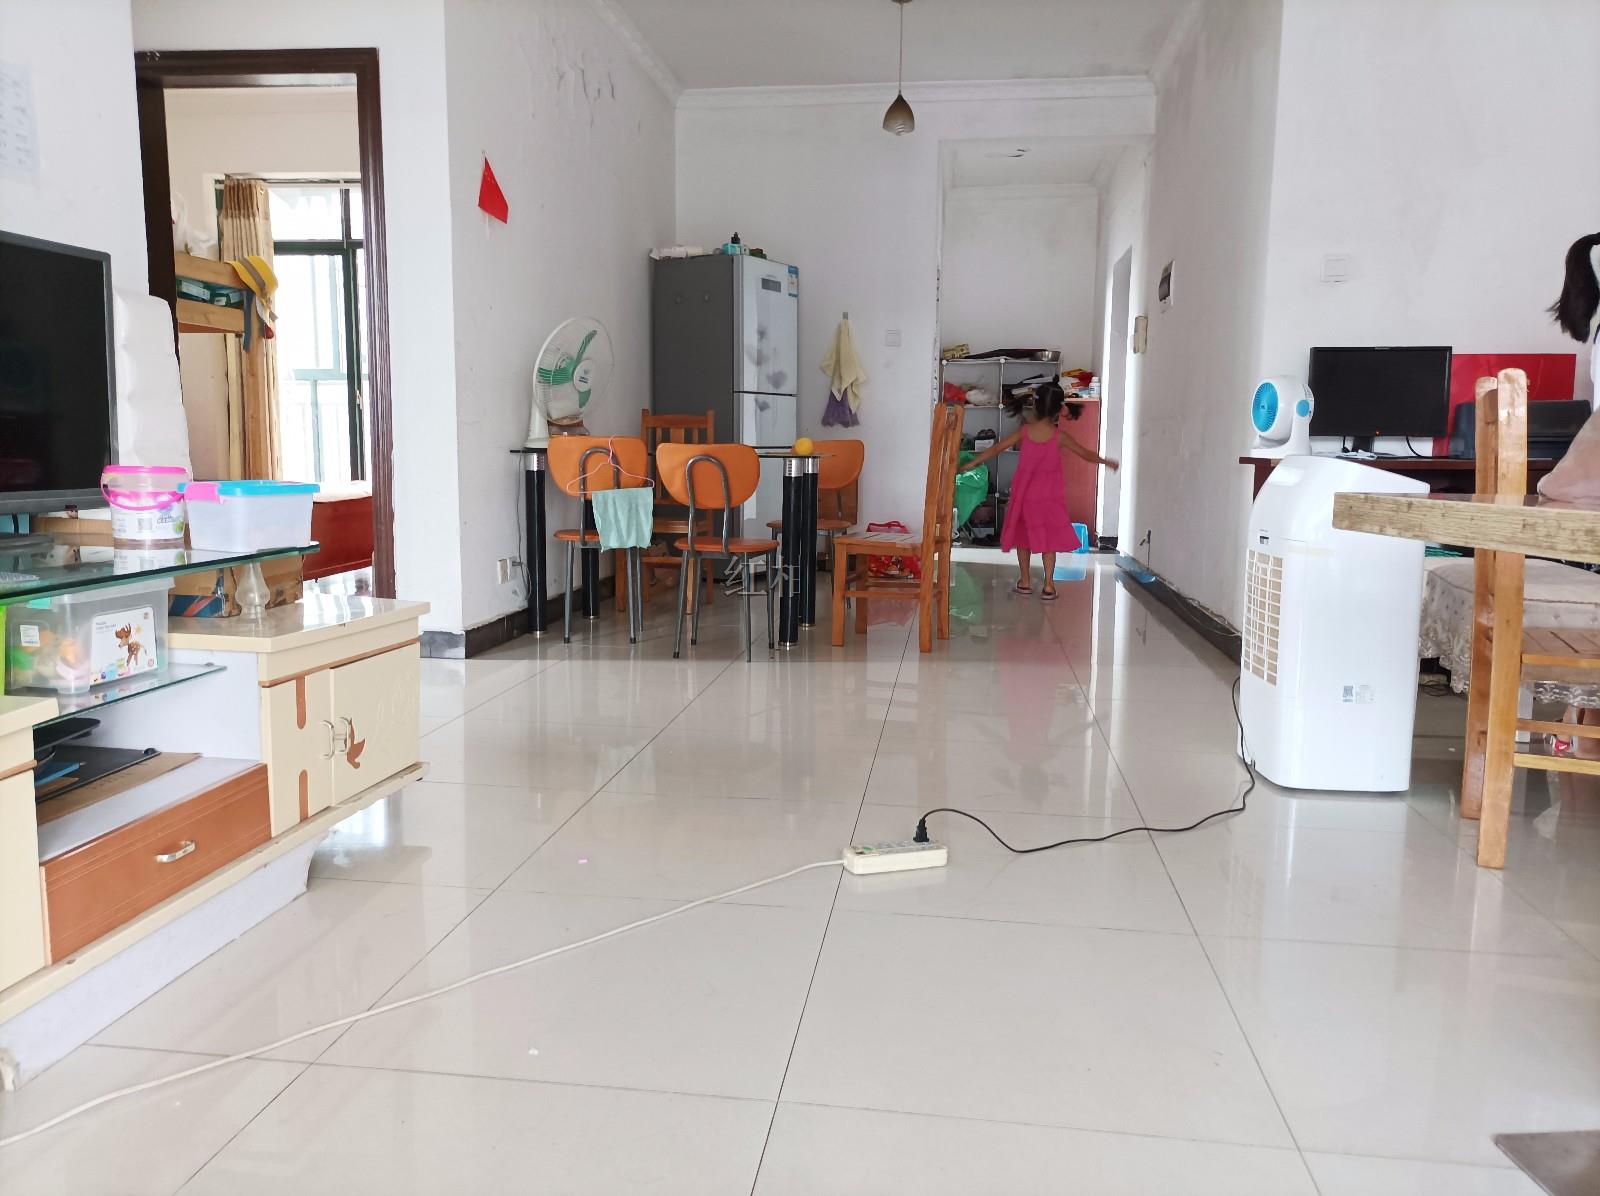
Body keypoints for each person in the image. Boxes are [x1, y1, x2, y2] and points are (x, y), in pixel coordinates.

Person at [966, 380, 1118, 601]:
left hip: (1024, 496)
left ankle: (1025, 581)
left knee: (1022, 538)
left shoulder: (1025, 431)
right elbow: (1086, 454)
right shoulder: (1060, 437)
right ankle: (1048, 585)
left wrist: (972, 463)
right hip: (1049, 498)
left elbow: (997, 448)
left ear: (1035, 406)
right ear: (1059, 409)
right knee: (1049, 541)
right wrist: (1107, 462)